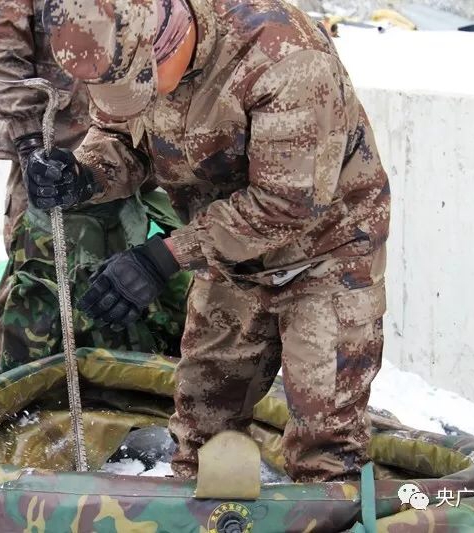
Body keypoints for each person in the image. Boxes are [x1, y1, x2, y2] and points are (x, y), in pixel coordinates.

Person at [33, 0, 390, 482]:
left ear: (167, 40)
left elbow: (287, 203)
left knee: (325, 450)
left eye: (140, 83)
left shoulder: (285, 57)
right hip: (229, 258)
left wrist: (164, 256)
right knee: (202, 427)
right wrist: (84, 175)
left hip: (326, 255)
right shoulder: (122, 44)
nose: (135, 96)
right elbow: (121, 134)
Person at [0, 0, 187, 374]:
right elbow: (4, 56)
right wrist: (32, 145)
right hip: (56, 150)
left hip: (137, 150)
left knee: (125, 289)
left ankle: (122, 385)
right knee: (42, 286)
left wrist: (163, 258)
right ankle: (30, 391)